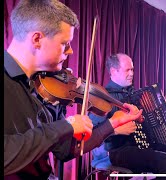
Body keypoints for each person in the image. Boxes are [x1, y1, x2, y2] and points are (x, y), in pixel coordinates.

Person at [4, 0, 142, 179]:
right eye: (64, 43)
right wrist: (65, 126)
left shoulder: (44, 86)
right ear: (37, 39)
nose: (70, 52)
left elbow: (64, 150)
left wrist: (112, 123)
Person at [89, 53, 166, 176]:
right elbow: (92, 132)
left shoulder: (134, 94)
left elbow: (146, 119)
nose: (132, 73)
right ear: (114, 71)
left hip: (141, 144)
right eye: (127, 70)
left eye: (132, 69)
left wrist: (162, 105)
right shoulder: (103, 97)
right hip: (116, 150)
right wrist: (115, 130)